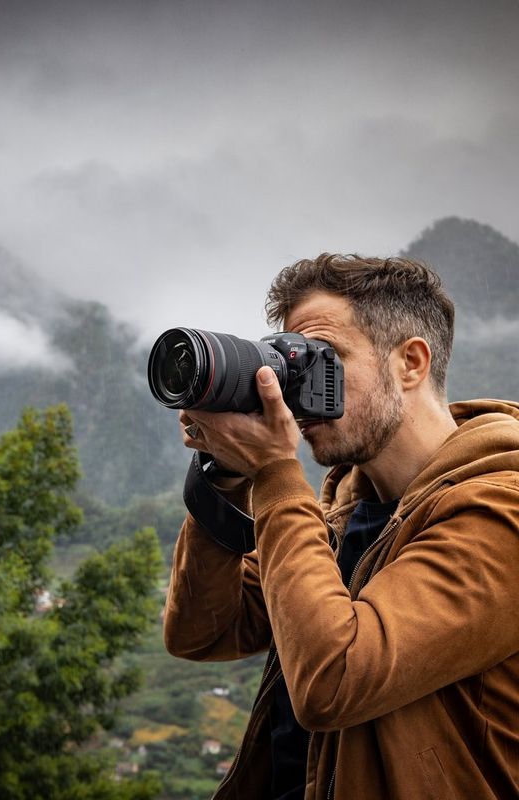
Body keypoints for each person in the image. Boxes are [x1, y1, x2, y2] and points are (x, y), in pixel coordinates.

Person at [163, 254, 519, 799]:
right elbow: (203, 632)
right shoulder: (343, 514)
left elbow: (332, 681)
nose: (297, 390)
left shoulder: (501, 514)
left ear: (411, 363)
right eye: (289, 360)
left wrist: (275, 472)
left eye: (322, 359)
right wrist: (226, 475)